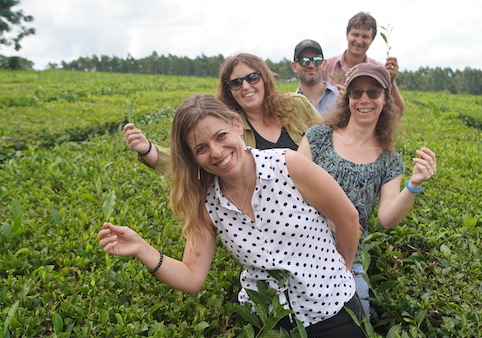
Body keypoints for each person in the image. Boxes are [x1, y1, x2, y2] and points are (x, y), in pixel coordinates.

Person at [98, 94, 367, 337]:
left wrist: (338, 271)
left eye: (220, 136)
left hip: (333, 312)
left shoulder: (288, 165)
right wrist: (142, 249)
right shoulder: (207, 202)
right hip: (268, 322)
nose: (216, 152)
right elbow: (192, 275)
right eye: (201, 148)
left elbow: (347, 219)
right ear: (192, 157)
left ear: (237, 126)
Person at [297, 63, 437, 317]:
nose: (364, 99)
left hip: (348, 259)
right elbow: (289, 192)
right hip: (302, 248)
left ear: (385, 99)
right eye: (356, 92)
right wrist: (329, 218)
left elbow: (387, 219)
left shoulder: (388, 160)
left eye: (373, 92)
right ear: (347, 98)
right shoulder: (317, 137)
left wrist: (413, 185)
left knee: (359, 318)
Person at [124, 53, 323, 176]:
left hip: (317, 197)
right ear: (229, 90)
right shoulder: (227, 126)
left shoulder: (296, 105)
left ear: (265, 79)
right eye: (236, 82)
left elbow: (329, 145)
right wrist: (147, 149)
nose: (246, 86)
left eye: (252, 77)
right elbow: (190, 163)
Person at [323, 12, 406, 116]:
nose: (359, 41)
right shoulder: (326, 66)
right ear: (347, 34)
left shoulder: (379, 70)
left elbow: (398, 112)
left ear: (372, 39)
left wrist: (391, 81)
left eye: (365, 37)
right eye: (355, 35)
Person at [290, 39, 339, 115]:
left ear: (324, 64)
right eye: (304, 61)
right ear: (294, 67)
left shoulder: (340, 98)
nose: (311, 65)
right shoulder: (289, 105)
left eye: (317, 60)